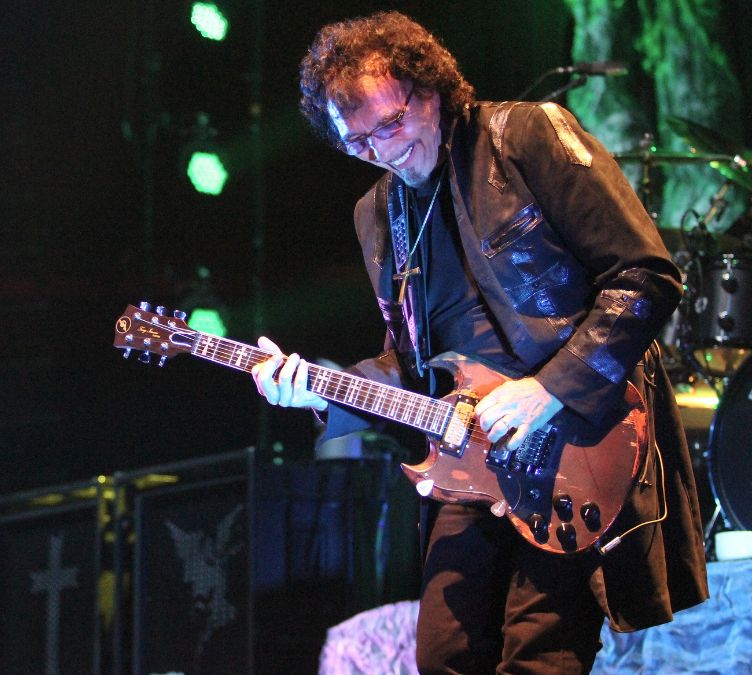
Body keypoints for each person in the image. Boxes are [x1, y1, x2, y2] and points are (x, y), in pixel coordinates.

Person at [250, 12, 708, 673]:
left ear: (431, 89)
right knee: (444, 656)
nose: (382, 150)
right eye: (358, 142)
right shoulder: (377, 214)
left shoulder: (527, 136)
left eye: (391, 123)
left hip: (575, 441)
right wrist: (319, 391)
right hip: (470, 462)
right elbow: (411, 367)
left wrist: (550, 390)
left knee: (540, 656)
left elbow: (645, 276)